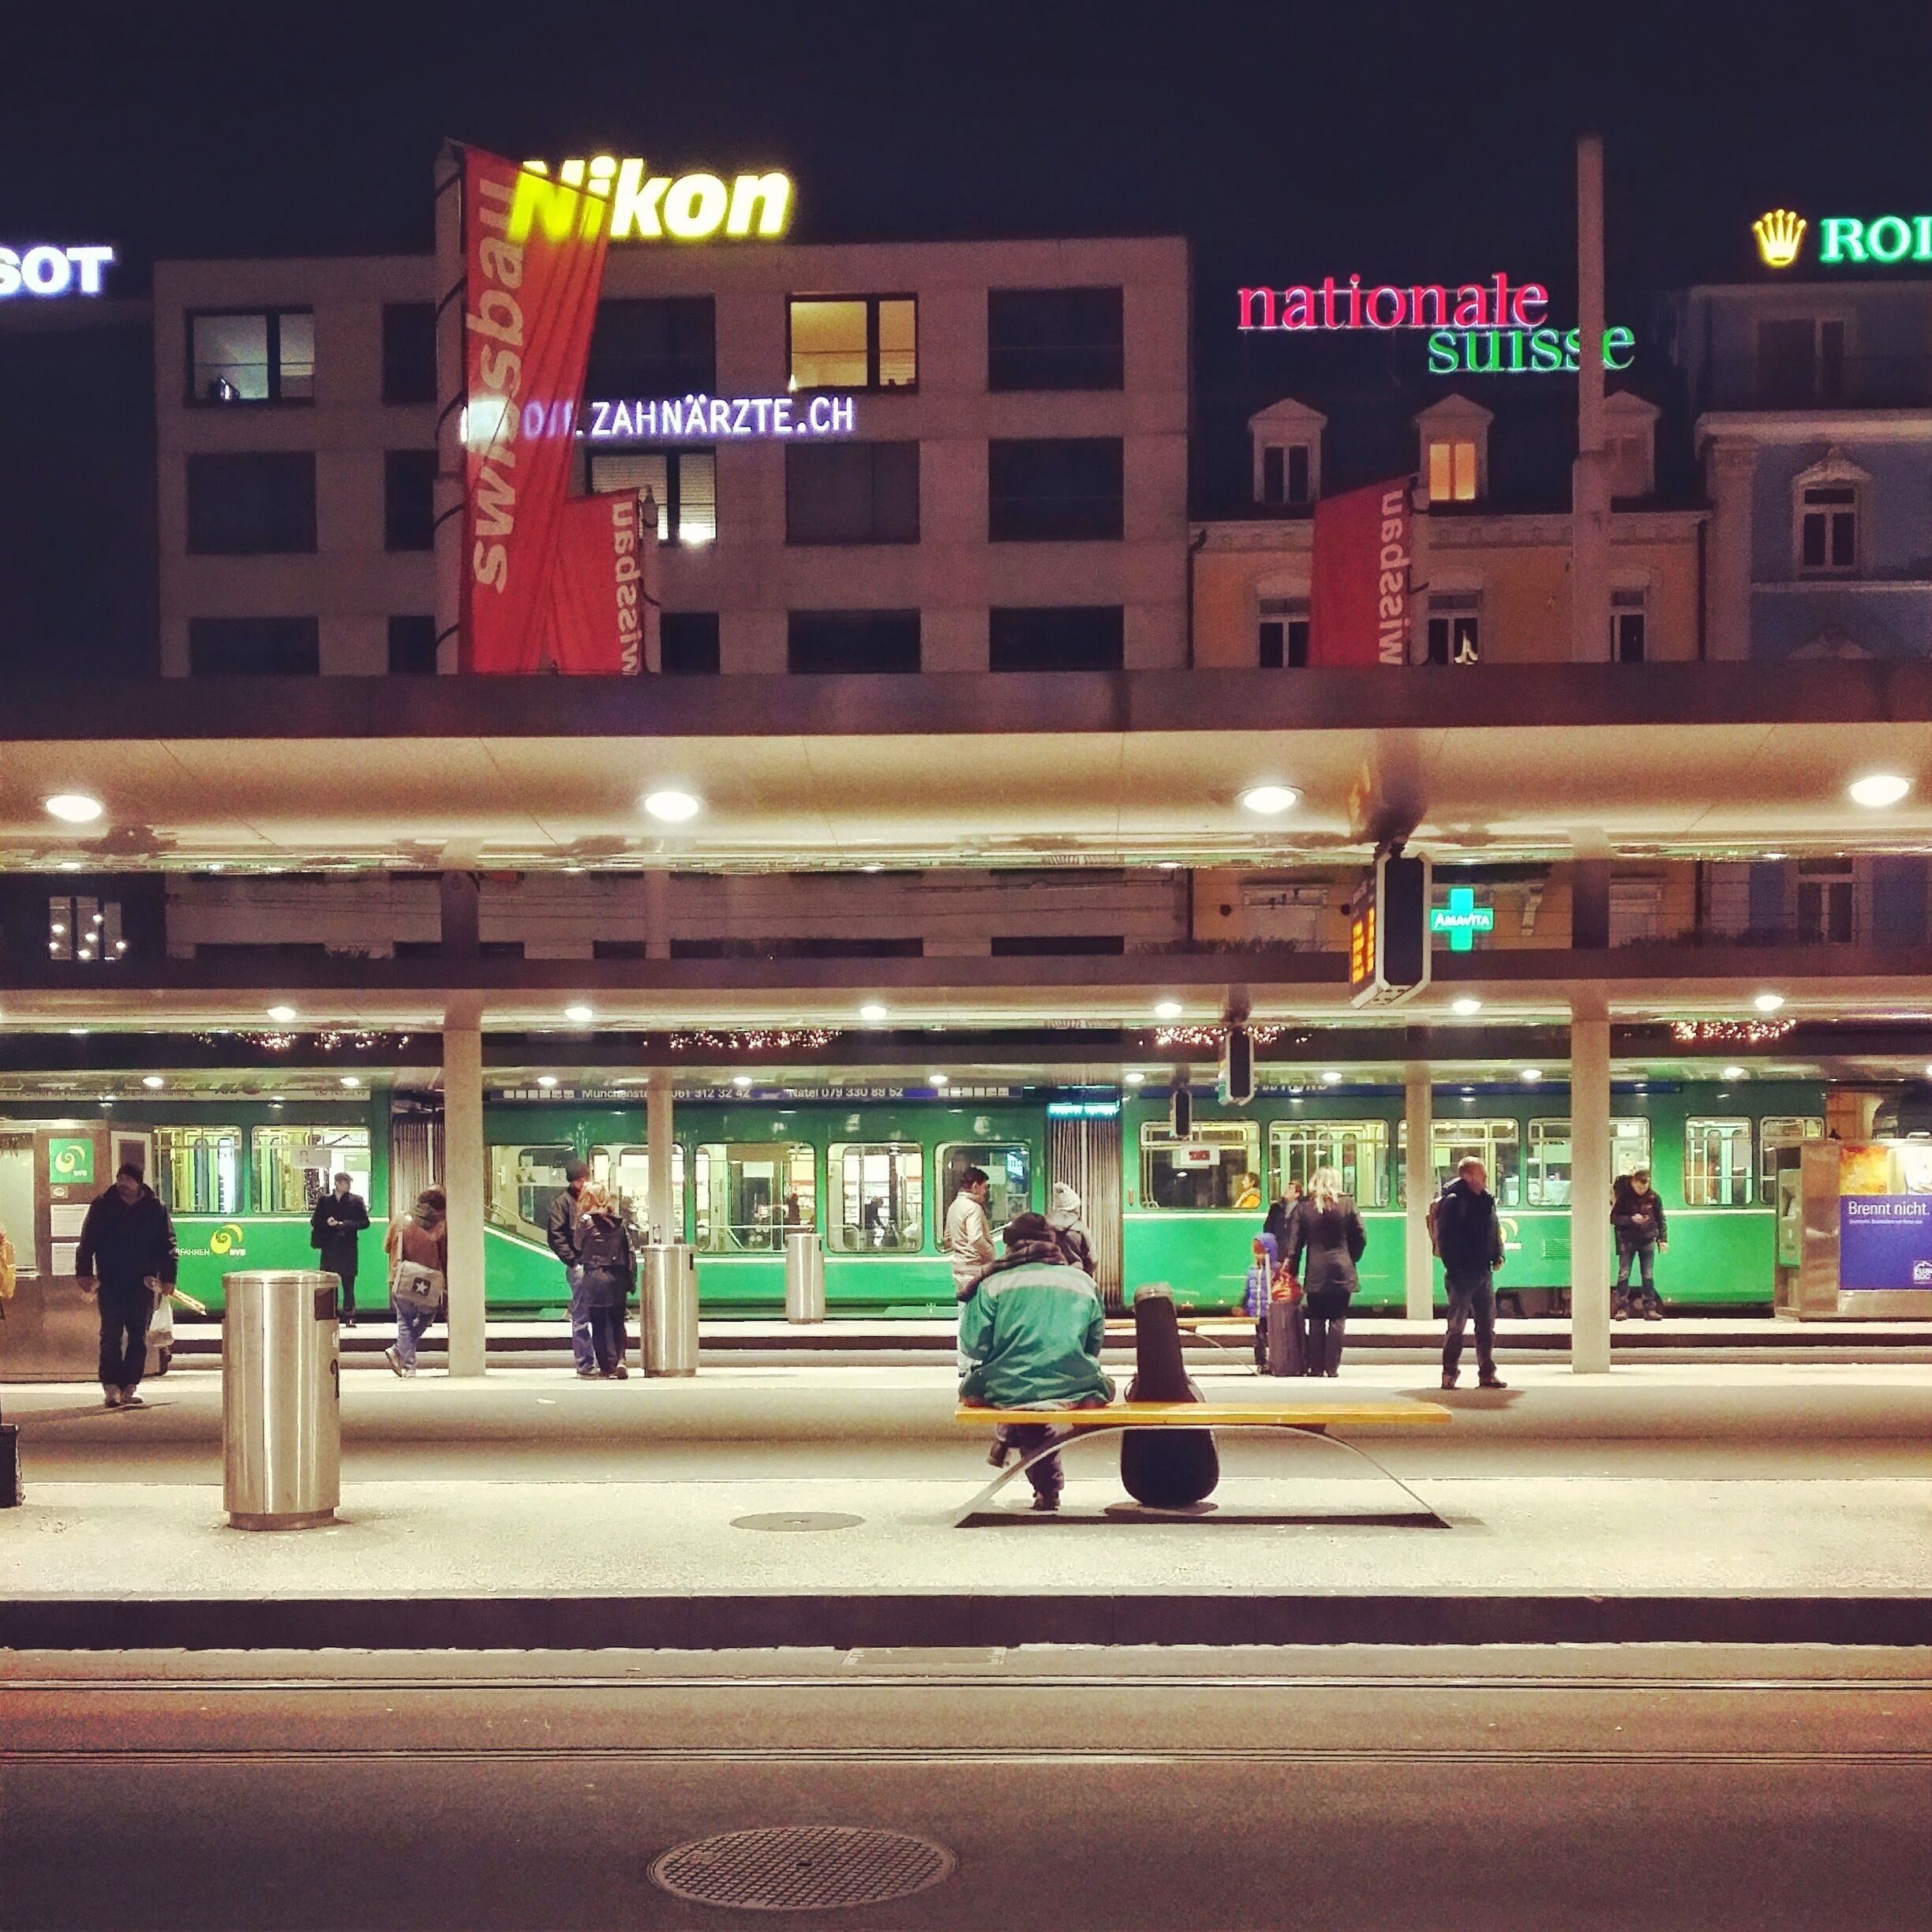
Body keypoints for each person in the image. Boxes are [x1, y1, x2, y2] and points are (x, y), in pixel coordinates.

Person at [958, 1211, 1113, 1511]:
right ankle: (1042, 1480)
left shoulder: (992, 1284)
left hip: (1007, 1385)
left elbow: (973, 1345)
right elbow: (1094, 1344)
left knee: (991, 1392)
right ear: (1052, 1243)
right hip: (1076, 1383)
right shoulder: (1082, 1282)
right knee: (1079, 1391)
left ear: (1010, 1246)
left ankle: (1012, 1437)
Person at [74, 1162, 178, 1410]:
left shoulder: (155, 1209)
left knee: (137, 1338)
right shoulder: (102, 1205)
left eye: (128, 1180)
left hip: (143, 1282)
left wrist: (168, 1278)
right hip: (110, 1281)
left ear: (138, 1182)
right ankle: (111, 1387)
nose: (122, 1183)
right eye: (120, 1178)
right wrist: (85, 1274)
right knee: (110, 1336)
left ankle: (130, 1386)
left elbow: (168, 1245)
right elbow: (87, 1241)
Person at [1432, 1156, 1508, 1391]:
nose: (1485, 1178)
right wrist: (1455, 1265)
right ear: (1468, 1176)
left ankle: (1487, 1373)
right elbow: (1445, 1239)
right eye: (1481, 1174)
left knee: (1486, 1325)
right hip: (1461, 1274)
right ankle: (1449, 1372)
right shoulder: (1454, 1202)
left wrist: (1498, 1254)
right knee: (1457, 1326)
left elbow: (1493, 1228)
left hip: (1483, 1270)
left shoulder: (1486, 1200)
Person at [1286, 1166, 1365, 1378]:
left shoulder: (1304, 1208)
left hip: (1316, 1271)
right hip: (1342, 1268)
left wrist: (1291, 1271)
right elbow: (1361, 1236)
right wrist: (1351, 1257)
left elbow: (1295, 1244)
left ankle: (1316, 1367)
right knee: (1338, 1318)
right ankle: (1333, 1368)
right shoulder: (1347, 1203)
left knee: (1317, 1319)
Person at [384, 1186, 448, 1377]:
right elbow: (444, 1257)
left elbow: (387, 1247)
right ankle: (401, 1355)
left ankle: (407, 1364)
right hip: (428, 1283)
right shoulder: (442, 1226)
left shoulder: (401, 1220)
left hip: (401, 1277)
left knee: (404, 1320)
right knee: (427, 1316)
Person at [571, 1184, 635, 1378]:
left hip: (596, 1275)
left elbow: (577, 1244)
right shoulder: (619, 1222)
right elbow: (629, 1249)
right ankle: (621, 1360)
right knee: (617, 1321)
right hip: (618, 1277)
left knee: (599, 1323)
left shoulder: (585, 1221)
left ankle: (607, 1367)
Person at [545, 1159, 597, 1376]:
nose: (582, 1183)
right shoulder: (564, 1203)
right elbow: (556, 1236)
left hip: (592, 1265)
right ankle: (585, 1362)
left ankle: (599, 1360)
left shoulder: (586, 1200)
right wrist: (573, 1261)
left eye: (584, 1178)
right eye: (578, 1180)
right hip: (581, 1266)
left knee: (590, 1314)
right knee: (582, 1315)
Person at [309, 1171, 372, 1326]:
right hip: (329, 1246)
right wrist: (327, 1222)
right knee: (330, 1282)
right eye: (345, 1182)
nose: (348, 1185)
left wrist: (345, 1224)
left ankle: (349, 1315)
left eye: (349, 1183)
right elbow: (314, 1221)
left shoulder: (356, 1201)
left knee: (348, 1281)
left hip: (347, 1246)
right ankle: (330, 1314)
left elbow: (365, 1222)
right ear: (337, 1183)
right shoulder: (324, 1201)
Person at [1612, 1168, 1669, 1320]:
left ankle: (1649, 1309)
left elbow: (1661, 1219)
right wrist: (1631, 1219)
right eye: (1639, 1187)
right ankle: (1622, 1309)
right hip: (1627, 1240)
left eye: (1645, 1187)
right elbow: (1614, 1218)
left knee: (1647, 1275)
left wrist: (1663, 1240)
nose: (1642, 1190)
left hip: (1647, 1240)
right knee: (1624, 1274)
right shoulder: (1624, 1198)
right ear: (1633, 1183)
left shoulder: (1654, 1197)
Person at [944, 1166, 997, 1300]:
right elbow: (976, 1238)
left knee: (964, 1310)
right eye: (984, 1187)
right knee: (976, 1311)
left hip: (959, 1269)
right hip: (975, 1269)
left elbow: (948, 1238)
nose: (985, 1192)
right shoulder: (974, 1208)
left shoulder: (954, 1206)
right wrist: (991, 1253)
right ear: (975, 1186)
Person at [1045, 1181, 1097, 1276]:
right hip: (1077, 1275)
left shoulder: (1045, 1225)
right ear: (1075, 1208)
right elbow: (1093, 1259)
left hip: (1053, 1276)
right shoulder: (1080, 1228)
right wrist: (1086, 1274)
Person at [1262, 1180, 1303, 1256]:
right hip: (1277, 1248)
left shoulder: (1301, 1209)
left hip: (1293, 1250)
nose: (1286, 1190)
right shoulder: (1276, 1208)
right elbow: (1268, 1227)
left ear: (1297, 1194)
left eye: (1290, 1188)